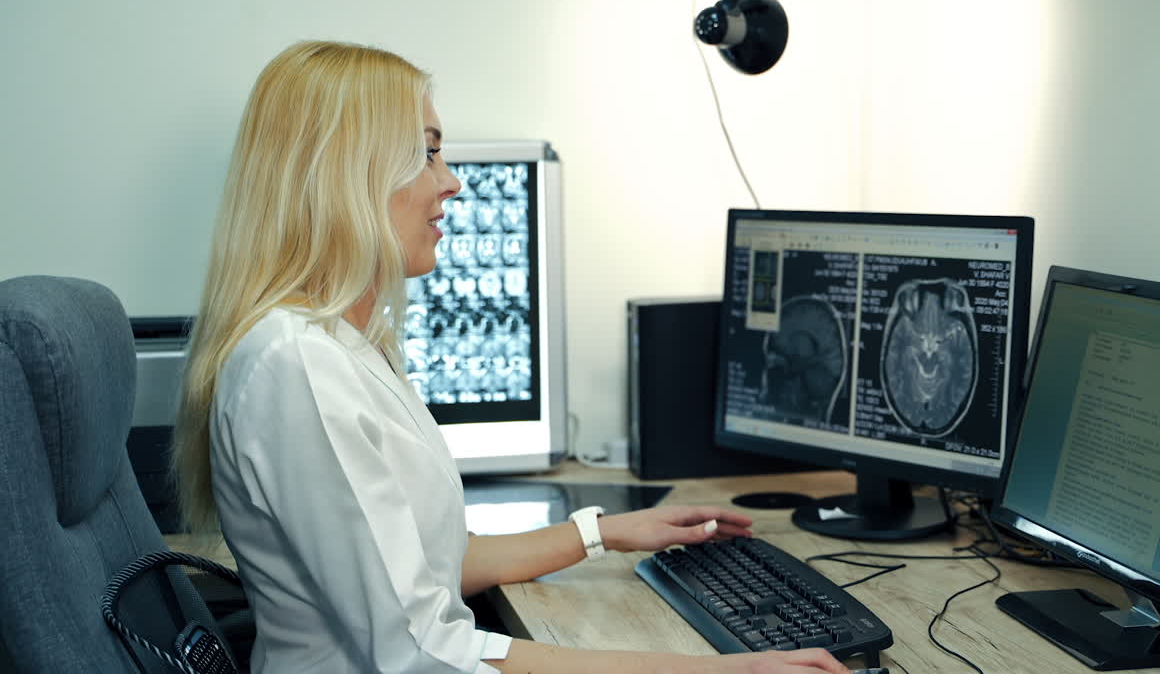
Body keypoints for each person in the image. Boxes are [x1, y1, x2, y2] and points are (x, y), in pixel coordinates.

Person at [172, 40, 848, 674]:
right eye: (427, 153)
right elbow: (425, 651)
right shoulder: (297, 368)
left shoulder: (344, 346)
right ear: (347, 172)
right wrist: (721, 670)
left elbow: (431, 567)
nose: (451, 183)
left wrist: (606, 532)